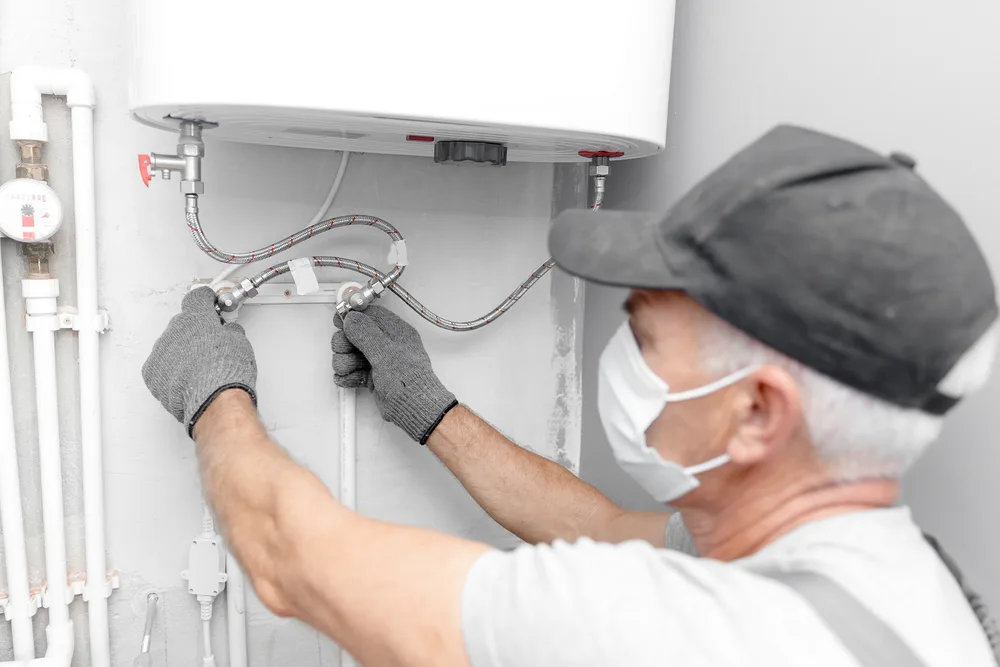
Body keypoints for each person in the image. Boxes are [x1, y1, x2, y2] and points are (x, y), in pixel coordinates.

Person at [143, 125, 999, 666]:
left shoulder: (690, 635)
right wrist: (429, 407)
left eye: (647, 330)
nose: (624, 356)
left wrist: (213, 394)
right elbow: (598, 528)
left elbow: (297, 560)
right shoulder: (879, 572)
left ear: (758, 411)